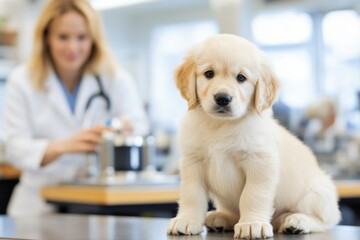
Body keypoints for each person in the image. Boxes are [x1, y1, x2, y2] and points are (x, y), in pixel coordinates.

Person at [3, 0, 149, 216]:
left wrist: (121, 129)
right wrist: (65, 145)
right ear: (46, 38)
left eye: (82, 37)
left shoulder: (113, 77)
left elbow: (139, 125)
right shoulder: (22, 80)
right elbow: (14, 148)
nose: (73, 47)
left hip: (94, 202)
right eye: (63, 37)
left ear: (94, 39)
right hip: (38, 205)